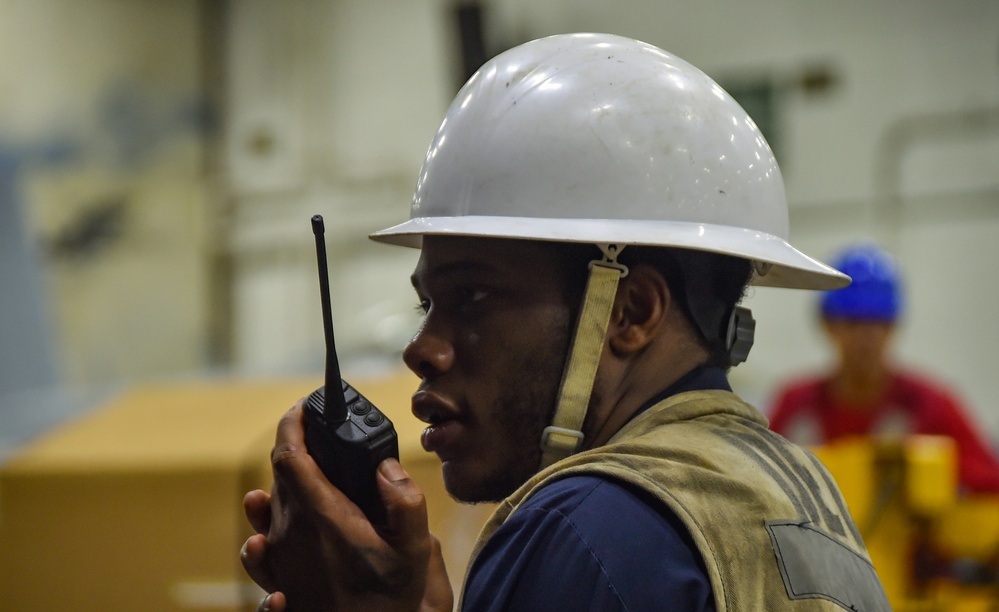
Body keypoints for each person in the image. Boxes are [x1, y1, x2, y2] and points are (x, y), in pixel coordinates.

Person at [239, 33, 891, 611]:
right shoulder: (798, 490)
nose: (422, 350)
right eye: (425, 306)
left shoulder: (582, 532)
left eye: (471, 298)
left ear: (630, 312)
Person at [769, 244, 999, 495]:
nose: (866, 336)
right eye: (853, 321)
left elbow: (989, 487)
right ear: (828, 324)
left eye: (878, 321)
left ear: (894, 325)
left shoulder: (930, 406)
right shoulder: (797, 406)